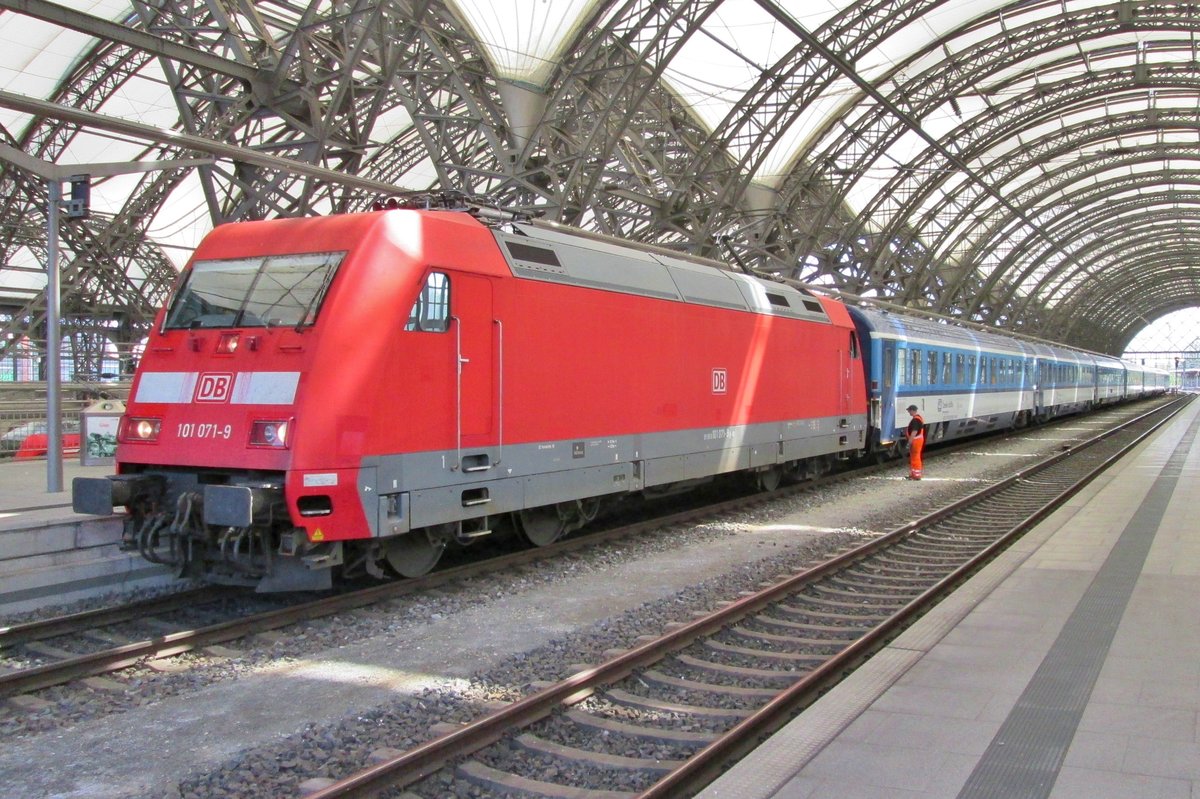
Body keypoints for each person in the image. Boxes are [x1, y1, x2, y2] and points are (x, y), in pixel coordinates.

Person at [905, 404, 925, 480]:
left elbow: (914, 431)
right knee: (914, 457)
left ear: (913, 410)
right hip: (918, 440)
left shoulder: (915, 420)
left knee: (915, 457)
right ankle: (914, 474)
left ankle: (916, 475)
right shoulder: (919, 418)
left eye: (909, 411)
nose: (909, 412)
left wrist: (909, 441)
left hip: (915, 441)